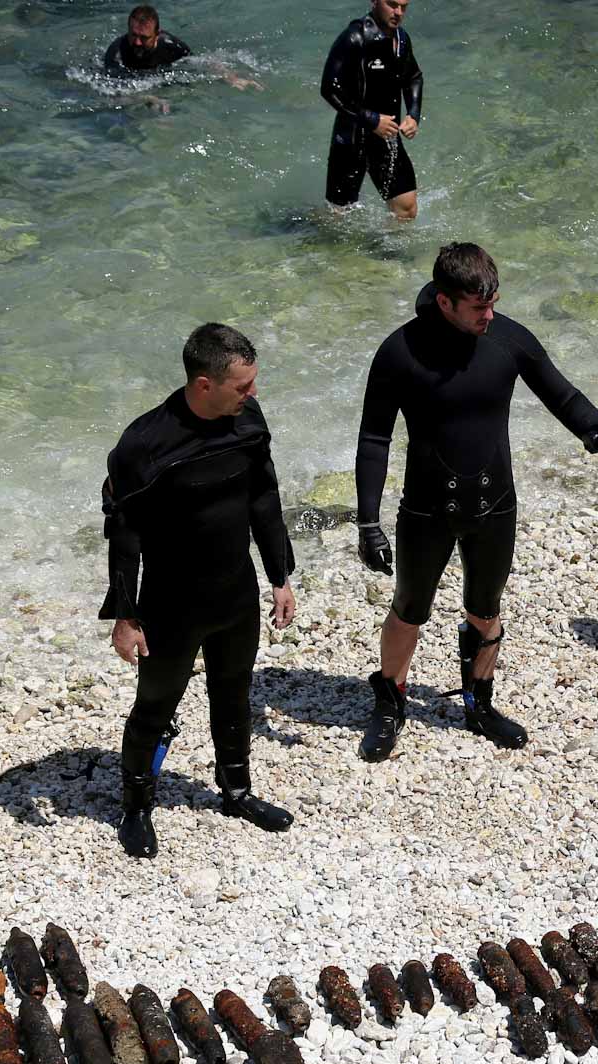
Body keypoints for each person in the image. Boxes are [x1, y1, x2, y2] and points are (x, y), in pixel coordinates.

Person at [353, 243, 598, 761]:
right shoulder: (399, 352)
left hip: (495, 506)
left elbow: (562, 396)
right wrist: (368, 521)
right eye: (479, 308)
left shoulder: (508, 340)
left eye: (493, 303)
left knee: (485, 610)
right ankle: (390, 701)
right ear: (447, 302)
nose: (490, 316)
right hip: (426, 509)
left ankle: (478, 702)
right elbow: (373, 439)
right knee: (409, 610)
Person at [100, 324, 297, 857]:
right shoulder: (144, 443)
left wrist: (280, 576)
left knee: (233, 697)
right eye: (243, 386)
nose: (253, 394)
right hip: (171, 605)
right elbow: (124, 534)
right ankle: (136, 806)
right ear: (204, 384)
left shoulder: (247, 421)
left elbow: (264, 498)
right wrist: (125, 614)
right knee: (155, 705)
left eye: (253, 384)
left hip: (235, 595)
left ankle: (236, 791)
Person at [321, 0, 423, 220]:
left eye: (404, 7)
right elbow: (330, 88)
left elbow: (413, 77)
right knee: (338, 219)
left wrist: (413, 115)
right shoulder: (354, 37)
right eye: (392, 5)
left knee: (407, 208)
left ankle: (392, 254)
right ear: (375, 1)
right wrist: (372, 119)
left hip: (387, 137)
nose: (398, 12)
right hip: (352, 139)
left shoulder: (401, 39)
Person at [102, 5, 260, 89]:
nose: (137, 42)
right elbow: (114, 89)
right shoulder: (116, 53)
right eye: (133, 35)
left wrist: (229, 77)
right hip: (132, 80)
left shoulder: (170, 44)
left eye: (144, 38)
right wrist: (144, 98)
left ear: (157, 34)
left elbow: (199, 62)